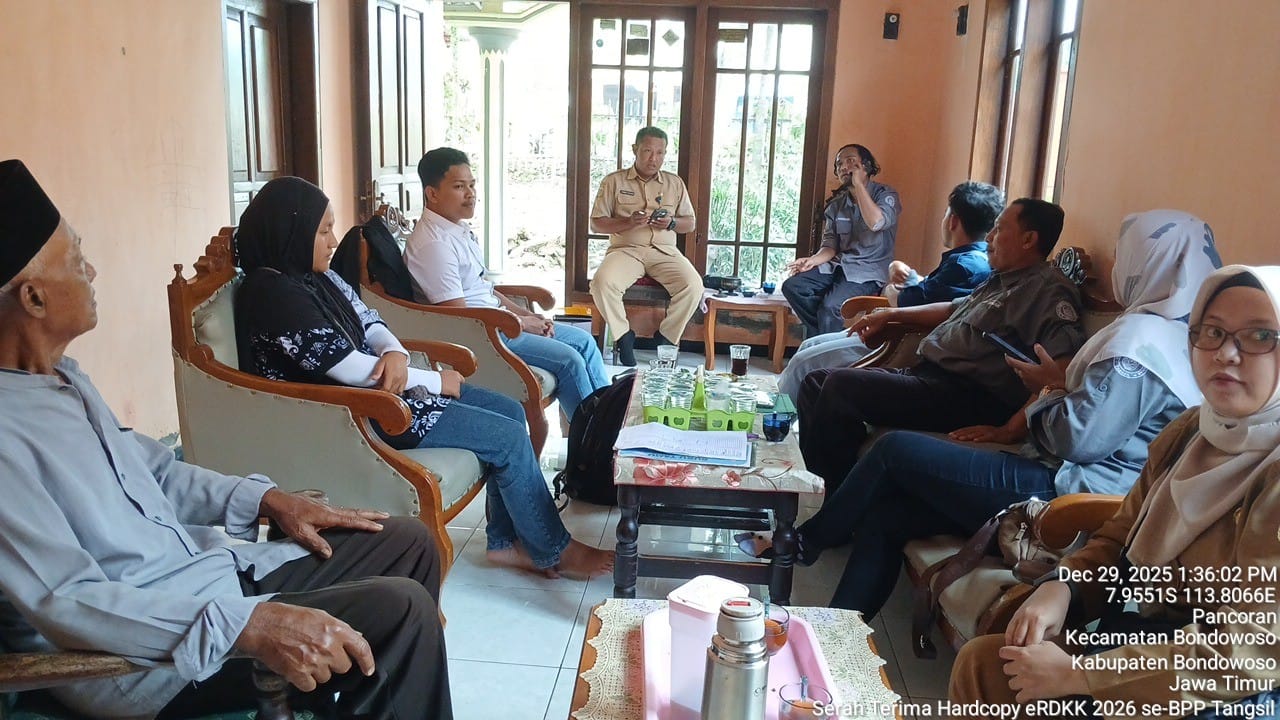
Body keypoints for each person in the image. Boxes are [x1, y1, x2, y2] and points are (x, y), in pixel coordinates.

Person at [0, 159, 452, 718]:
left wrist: (269, 501)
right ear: (33, 299)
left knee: (406, 541)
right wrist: (248, 625)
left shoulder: (64, 379)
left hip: (203, 580)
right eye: (75, 260)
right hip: (145, 658)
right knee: (401, 609)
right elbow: (65, 600)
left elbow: (156, 472)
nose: (91, 271)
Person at [772, 210, 1219, 619]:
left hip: (1066, 490)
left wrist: (1046, 390)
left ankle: (808, 541)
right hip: (1057, 471)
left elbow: (1077, 440)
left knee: (893, 450)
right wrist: (1056, 388)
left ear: (1151, 262)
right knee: (887, 516)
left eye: (1126, 255)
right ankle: (838, 632)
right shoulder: (1178, 337)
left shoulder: (1139, 344)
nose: (1119, 266)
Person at [233, 176, 613, 579]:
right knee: (505, 437)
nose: (333, 241)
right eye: (323, 231)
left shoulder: (315, 276)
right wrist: (434, 382)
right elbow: (349, 370)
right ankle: (553, 548)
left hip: (386, 392)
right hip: (353, 413)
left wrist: (395, 352)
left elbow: (369, 320)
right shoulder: (273, 294)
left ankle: (505, 543)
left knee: (510, 410)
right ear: (290, 232)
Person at [949, 264, 1280, 719]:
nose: (1225, 353)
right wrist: (1065, 585)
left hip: (1226, 688)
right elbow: (1122, 534)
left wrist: (1083, 675)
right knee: (987, 667)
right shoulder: (1192, 431)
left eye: (1259, 336)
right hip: (1151, 639)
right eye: (1213, 332)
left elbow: (1256, 648)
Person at [797, 198, 1086, 492]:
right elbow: (952, 308)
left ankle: (830, 496)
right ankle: (821, 488)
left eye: (999, 229)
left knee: (841, 387)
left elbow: (1060, 369)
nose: (989, 237)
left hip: (967, 395)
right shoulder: (1002, 280)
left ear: (1028, 239)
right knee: (815, 383)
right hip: (929, 379)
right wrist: (891, 314)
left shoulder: (1048, 290)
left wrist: (1009, 430)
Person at [404, 147, 609, 420]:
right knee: (569, 360)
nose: (471, 193)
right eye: (459, 186)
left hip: (499, 324)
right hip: (483, 338)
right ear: (432, 193)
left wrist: (526, 315)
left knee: (583, 341)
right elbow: (459, 317)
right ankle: (591, 439)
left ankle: (609, 423)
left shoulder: (456, 229)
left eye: (472, 185)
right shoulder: (433, 245)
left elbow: (483, 289)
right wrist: (520, 324)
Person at [777, 181, 1001, 401]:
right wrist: (900, 271)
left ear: (953, 221)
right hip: (900, 332)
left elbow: (905, 300)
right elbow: (929, 291)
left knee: (803, 363)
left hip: (903, 342)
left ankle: (780, 418)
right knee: (809, 345)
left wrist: (892, 290)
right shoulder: (974, 259)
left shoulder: (964, 265)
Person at [589, 126, 701, 366]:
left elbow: (690, 223)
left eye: (660, 153)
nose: (654, 159)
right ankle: (623, 336)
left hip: (665, 252)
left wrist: (671, 223)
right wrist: (628, 222)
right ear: (635, 149)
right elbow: (596, 223)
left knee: (693, 285)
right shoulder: (614, 181)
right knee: (601, 283)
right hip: (626, 251)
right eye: (648, 151)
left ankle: (667, 337)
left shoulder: (674, 183)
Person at [781, 143, 901, 336]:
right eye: (839, 165)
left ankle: (822, 342)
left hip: (868, 271)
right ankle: (828, 336)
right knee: (793, 287)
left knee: (830, 307)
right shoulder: (836, 206)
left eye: (850, 161)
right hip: (838, 266)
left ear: (866, 166)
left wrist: (859, 185)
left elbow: (876, 222)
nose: (844, 167)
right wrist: (812, 260)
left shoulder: (885, 195)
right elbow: (830, 245)